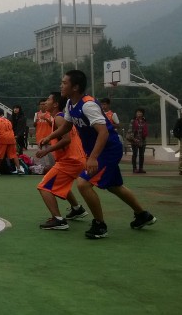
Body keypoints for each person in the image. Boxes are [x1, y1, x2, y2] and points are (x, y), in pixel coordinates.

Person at [39, 70, 156, 239]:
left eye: (64, 83)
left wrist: (93, 157)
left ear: (75, 87)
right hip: (98, 150)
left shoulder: (88, 105)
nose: (61, 86)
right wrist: (49, 137)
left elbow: (103, 132)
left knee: (83, 184)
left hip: (108, 150)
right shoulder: (70, 104)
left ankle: (100, 225)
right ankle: (143, 215)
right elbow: (66, 126)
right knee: (114, 186)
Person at [33, 91, 88, 230]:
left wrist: (46, 150)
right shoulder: (60, 118)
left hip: (70, 161)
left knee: (44, 187)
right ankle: (77, 208)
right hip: (75, 159)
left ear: (56, 104)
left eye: (48, 100)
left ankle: (58, 220)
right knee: (60, 183)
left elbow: (66, 139)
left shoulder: (58, 118)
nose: (45, 102)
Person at [0, 108, 22, 174]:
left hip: (2, 138)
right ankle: (19, 169)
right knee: (14, 154)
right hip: (11, 137)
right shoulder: (7, 120)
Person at [128, 109, 149, 173]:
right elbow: (130, 130)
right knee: (135, 154)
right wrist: (134, 139)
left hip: (142, 140)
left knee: (141, 155)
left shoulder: (144, 121)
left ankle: (141, 168)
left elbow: (146, 130)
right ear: (136, 114)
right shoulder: (133, 121)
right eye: (138, 112)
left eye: (140, 112)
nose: (139, 114)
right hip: (134, 140)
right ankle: (134, 168)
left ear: (143, 114)